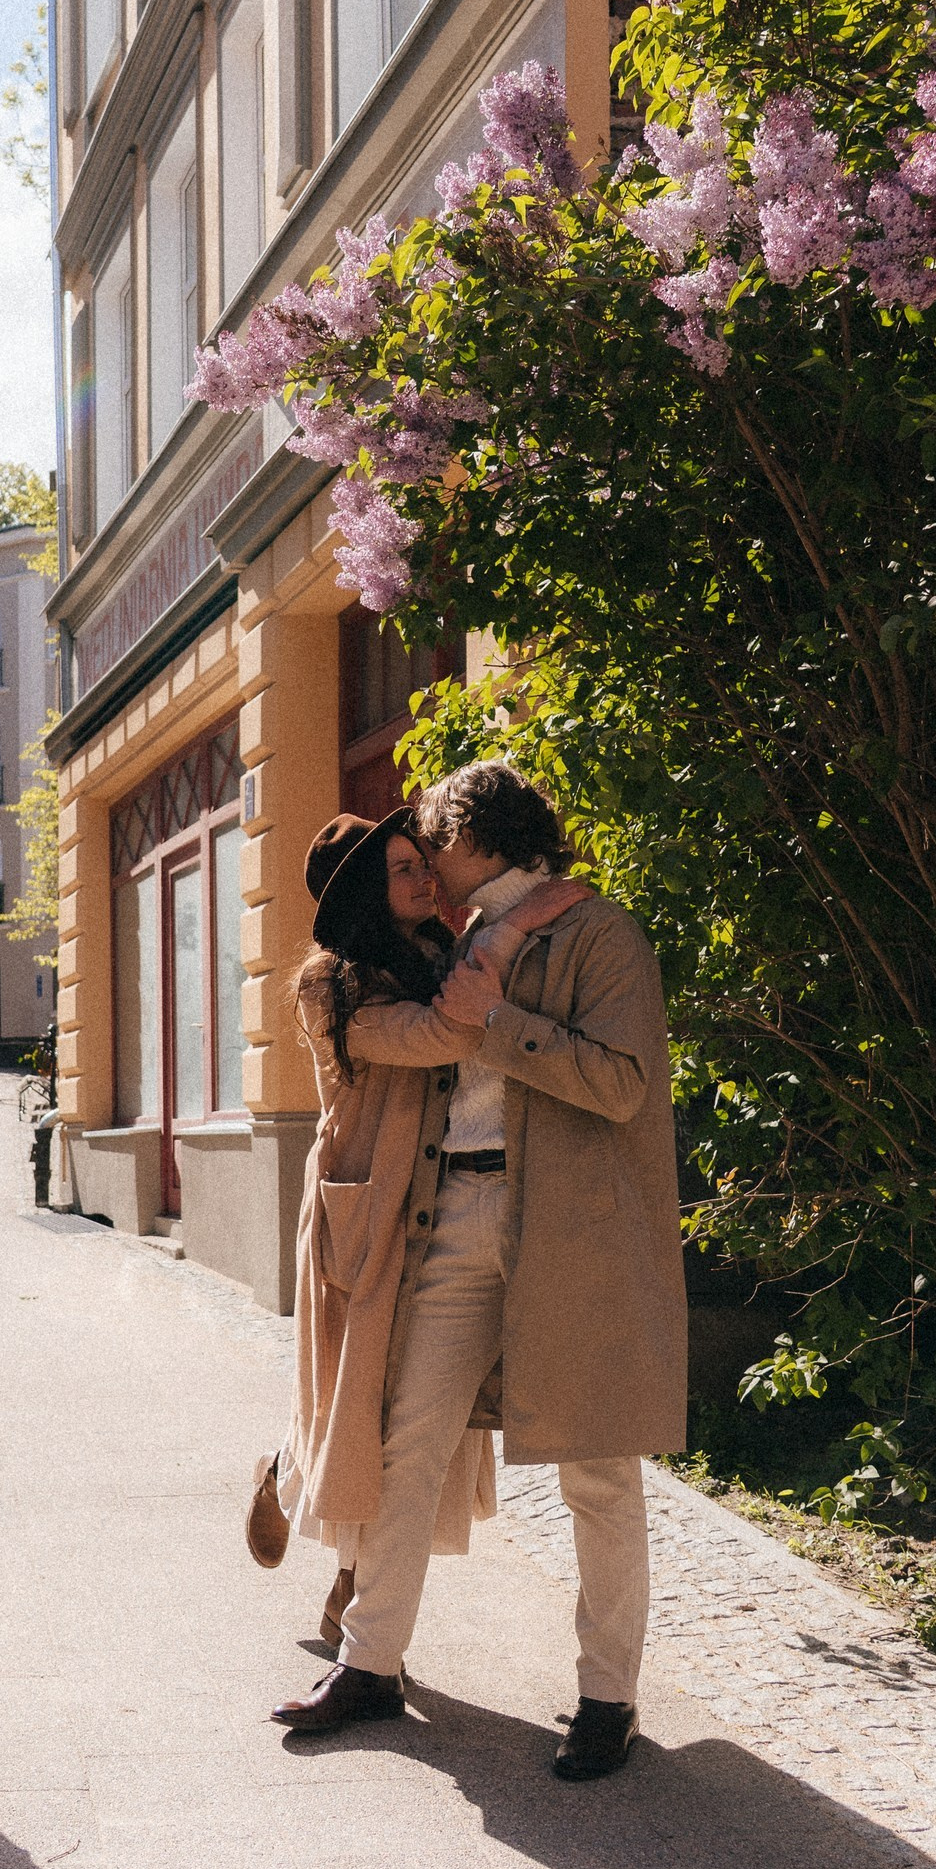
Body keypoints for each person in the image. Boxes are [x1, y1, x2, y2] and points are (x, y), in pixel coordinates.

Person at [273, 762, 686, 1781]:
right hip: (453, 1213)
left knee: (597, 1466)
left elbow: (624, 1084)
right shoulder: (450, 940)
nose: (424, 857)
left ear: (479, 835)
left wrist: (498, 1020)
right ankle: (370, 1661)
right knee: (411, 1434)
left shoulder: (600, 934)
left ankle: (607, 1696)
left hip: (570, 1224)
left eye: (435, 839)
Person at [247, 807, 584, 1643]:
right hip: (366, 1217)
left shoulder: (442, 950)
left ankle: (297, 1483)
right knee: (366, 1400)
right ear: (366, 890)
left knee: (403, 1410)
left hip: (433, 1209)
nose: (422, 877)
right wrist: (524, 920)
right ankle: (342, 1575)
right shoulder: (331, 987)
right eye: (401, 869)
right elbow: (442, 1034)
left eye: (419, 863)